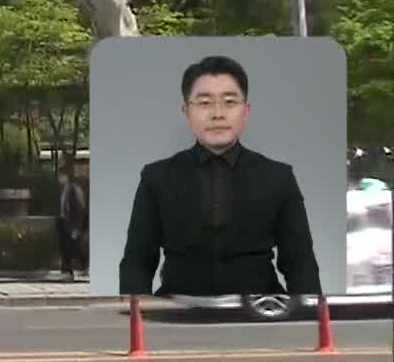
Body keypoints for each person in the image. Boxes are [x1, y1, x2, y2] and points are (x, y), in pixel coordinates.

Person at [119, 54, 320, 298]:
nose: (217, 114)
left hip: (260, 316)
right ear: (186, 113)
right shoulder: (156, 177)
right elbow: (137, 262)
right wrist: (136, 324)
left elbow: (300, 262)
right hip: (176, 314)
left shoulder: (279, 177)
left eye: (229, 102)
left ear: (245, 111)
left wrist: (308, 323)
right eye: (204, 103)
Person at [56, 162, 88, 278]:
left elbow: (80, 209)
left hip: (72, 225)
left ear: (66, 176)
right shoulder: (63, 190)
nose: (60, 179)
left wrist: (77, 227)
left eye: (61, 176)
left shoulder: (74, 190)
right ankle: (67, 272)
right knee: (65, 249)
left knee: (75, 248)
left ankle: (85, 265)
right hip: (63, 222)